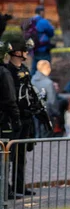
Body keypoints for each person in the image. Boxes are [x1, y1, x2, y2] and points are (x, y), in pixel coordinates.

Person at [5, 37, 42, 197]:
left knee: (21, 157)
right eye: (24, 50)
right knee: (8, 157)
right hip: (12, 120)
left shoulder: (25, 69)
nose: (27, 53)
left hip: (26, 119)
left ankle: (19, 187)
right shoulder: (8, 71)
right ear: (16, 52)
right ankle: (6, 190)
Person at [0, 40, 22, 199]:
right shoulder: (4, 73)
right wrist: (16, 120)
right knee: (5, 158)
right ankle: (4, 192)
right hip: (4, 122)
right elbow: (10, 100)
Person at [31, 60, 58, 137]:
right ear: (47, 68)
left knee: (37, 134)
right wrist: (56, 113)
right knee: (46, 136)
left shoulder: (32, 80)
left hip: (34, 111)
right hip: (46, 113)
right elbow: (52, 101)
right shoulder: (48, 83)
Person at [28, 6, 55, 76]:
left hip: (33, 48)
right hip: (43, 48)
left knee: (34, 68)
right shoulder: (43, 22)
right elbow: (51, 33)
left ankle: (31, 84)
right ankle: (44, 84)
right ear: (41, 12)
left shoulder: (30, 21)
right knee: (45, 67)